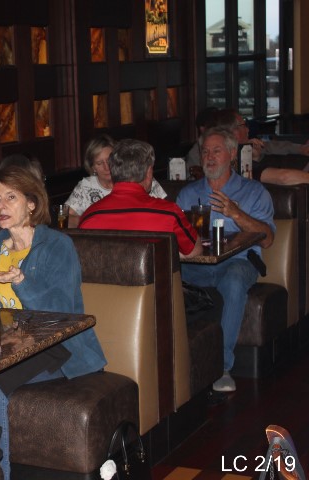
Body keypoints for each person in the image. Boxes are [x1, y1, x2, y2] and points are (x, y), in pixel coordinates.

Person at [0, 164, 107, 479]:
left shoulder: (57, 246)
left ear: (31, 203)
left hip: (58, 347)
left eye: (11, 197)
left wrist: (20, 280)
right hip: (10, 343)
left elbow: (63, 313)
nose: (1, 206)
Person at [176, 127, 275, 392]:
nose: (209, 157)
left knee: (233, 279)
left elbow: (267, 239)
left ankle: (221, 367)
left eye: (216, 151)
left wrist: (236, 214)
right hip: (196, 266)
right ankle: (174, 364)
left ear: (232, 154)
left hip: (239, 262)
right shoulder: (187, 194)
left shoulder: (254, 191)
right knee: (169, 277)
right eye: (205, 151)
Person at [79, 139, 202, 259]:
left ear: (113, 171)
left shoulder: (89, 217)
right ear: (148, 172)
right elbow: (194, 251)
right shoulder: (168, 213)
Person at [64, 134, 167, 227]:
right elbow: (64, 216)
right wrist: (92, 221)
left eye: (109, 161)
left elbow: (165, 211)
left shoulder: (140, 177)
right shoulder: (85, 186)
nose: (106, 167)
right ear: (93, 167)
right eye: (99, 163)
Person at [210, 108, 309, 185]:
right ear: (233, 132)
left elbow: (272, 146)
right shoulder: (229, 160)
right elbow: (283, 177)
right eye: (244, 125)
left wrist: (255, 158)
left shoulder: (249, 148)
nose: (248, 130)